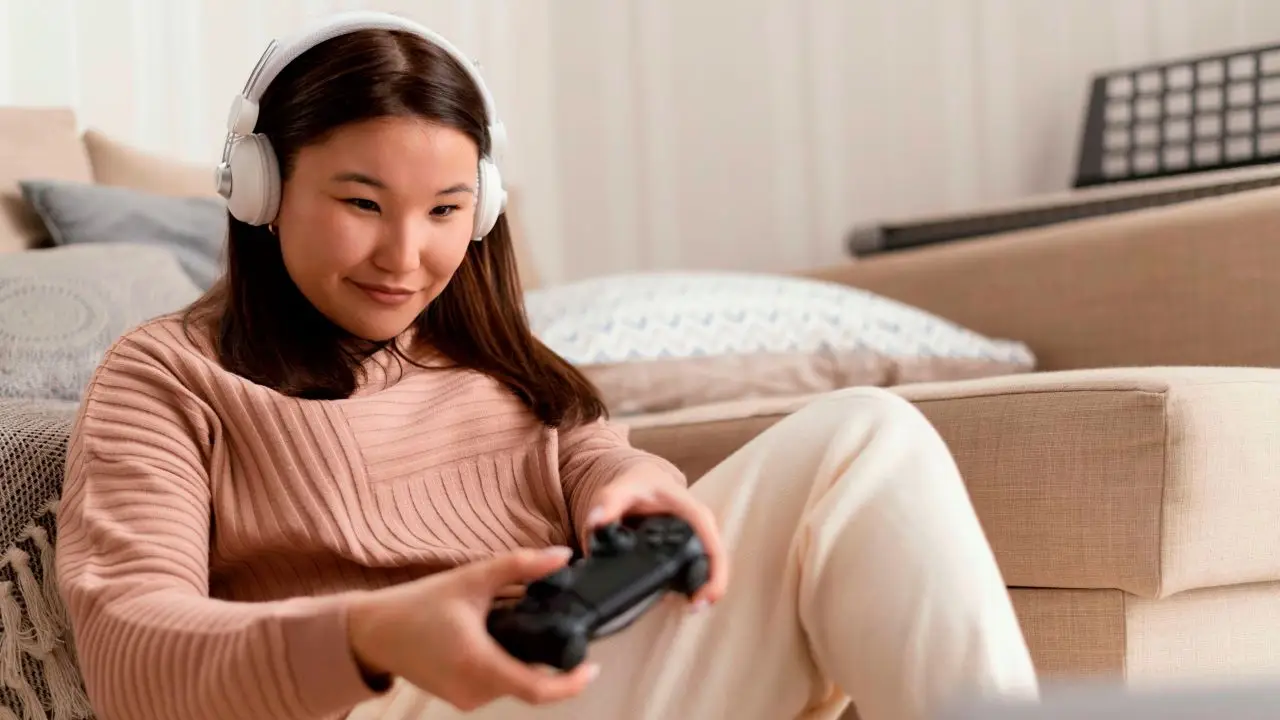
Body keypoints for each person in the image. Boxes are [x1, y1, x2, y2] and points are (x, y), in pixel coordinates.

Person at [54, 11, 1039, 720]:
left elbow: (591, 457)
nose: (406, 257)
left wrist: (630, 488)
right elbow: (132, 653)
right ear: (261, 189)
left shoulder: (493, 366)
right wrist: (370, 634)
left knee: (863, 436)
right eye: (361, 203)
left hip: (561, 674)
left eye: (443, 211)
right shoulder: (165, 379)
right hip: (370, 705)